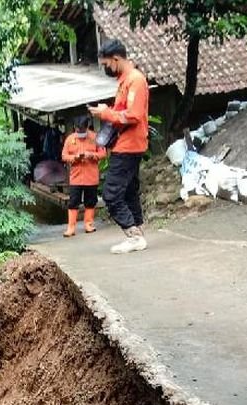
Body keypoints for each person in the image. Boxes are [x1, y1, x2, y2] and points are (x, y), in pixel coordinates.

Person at [89, 39, 150, 254]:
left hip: (129, 146)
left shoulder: (135, 80)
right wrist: (108, 110)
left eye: (106, 64)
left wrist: (106, 113)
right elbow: (124, 111)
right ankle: (138, 232)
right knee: (130, 191)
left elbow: (133, 115)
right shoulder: (125, 81)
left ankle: (133, 236)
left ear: (116, 59)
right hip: (126, 144)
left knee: (111, 194)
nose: (105, 68)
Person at [60, 116, 105, 237]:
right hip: (76, 177)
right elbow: (64, 155)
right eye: (78, 130)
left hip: (91, 176)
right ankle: (71, 227)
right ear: (75, 128)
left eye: (83, 130)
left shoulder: (95, 137)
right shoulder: (70, 139)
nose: (80, 132)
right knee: (73, 202)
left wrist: (92, 155)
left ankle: (88, 224)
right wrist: (74, 157)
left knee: (90, 201)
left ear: (87, 127)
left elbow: (103, 153)